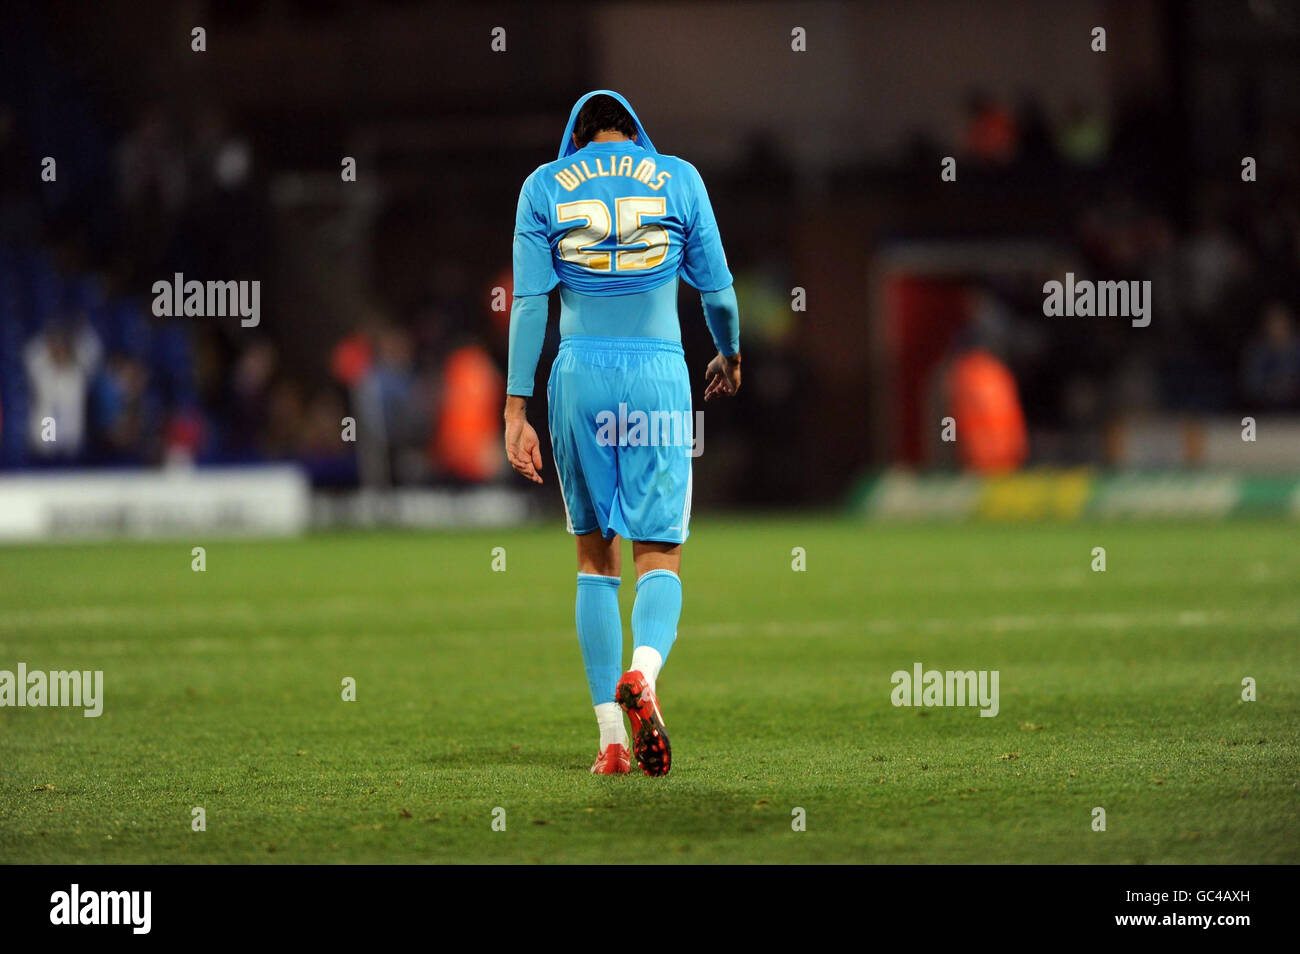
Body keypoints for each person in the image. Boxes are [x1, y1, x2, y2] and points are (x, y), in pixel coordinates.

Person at [503, 91, 742, 776]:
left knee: (593, 560)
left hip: (579, 374)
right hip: (658, 375)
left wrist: (516, 410)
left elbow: (529, 305)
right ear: (635, 132)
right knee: (658, 556)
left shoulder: (543, 186)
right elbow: (719, 293)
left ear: (575, 139)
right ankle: (643, 674)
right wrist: (729, 354)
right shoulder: (680, 176)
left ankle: (611, 740)